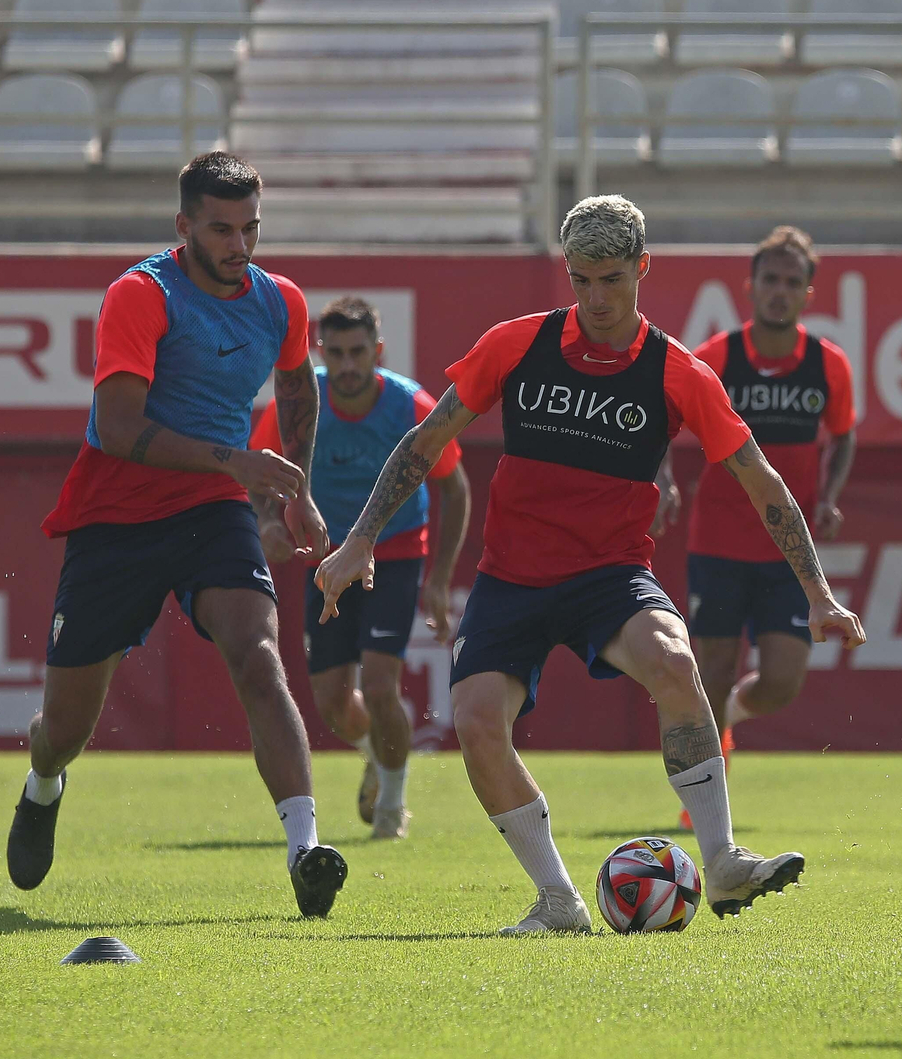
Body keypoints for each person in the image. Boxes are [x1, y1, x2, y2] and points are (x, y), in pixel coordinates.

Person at [317, 195, 866, 935]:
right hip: (511, 578)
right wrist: (360, 540)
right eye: (582, 280)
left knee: (676, 662)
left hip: (610, 576)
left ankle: (725, 860)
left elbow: (763, 482)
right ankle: (558, 900)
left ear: (642, 268)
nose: (597, 298)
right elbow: (425, 440)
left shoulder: (680, 372)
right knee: (478, 723)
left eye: (612, 279)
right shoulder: (515, 344)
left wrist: (820, 594)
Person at [9, 152, 349, 919]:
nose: (239, 245)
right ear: (183, 226)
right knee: (64, 730)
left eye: (251, 228)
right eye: (222, 229)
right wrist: (243, 461)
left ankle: (305, 852)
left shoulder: (282, 301)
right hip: (115, 513)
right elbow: (124, 429)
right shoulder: (139, 294)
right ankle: (42, 785)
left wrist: (292, 488)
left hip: (213, 508)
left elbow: (296, 389)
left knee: (259, 654)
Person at [657, 226, 856, 831]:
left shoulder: (829, 365)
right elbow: (663, 417)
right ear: (750, 286)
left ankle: (734, 718)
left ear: (808, 294)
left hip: (788, 554)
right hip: (717, 543)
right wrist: (663, 478)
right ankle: (708, 801)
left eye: (792, 282)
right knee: (710, 670)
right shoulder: (718, 356)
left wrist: (830, 496)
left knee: (782, 682)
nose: (779, 291)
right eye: (770, 279)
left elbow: (843, 436)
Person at [249, 296, 471, 839]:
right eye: (337, 353)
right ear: (322, 351)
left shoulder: (410, 405)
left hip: (394, 554)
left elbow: (456, 488)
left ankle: (392, 810)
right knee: (331, 704)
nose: (348, 366)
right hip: (325, 559)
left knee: (378, 684)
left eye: (358, 353)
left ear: (378, 351)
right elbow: (258, 474)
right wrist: (268, 522)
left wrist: (439, 579)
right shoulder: (297, 404)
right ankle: (381, 751)